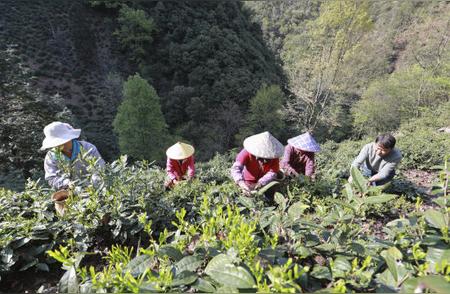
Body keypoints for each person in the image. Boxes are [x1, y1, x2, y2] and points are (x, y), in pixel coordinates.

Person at [41, 122, 105, 190]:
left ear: (70, 138)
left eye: (63, 141)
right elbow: (51, 178)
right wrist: (66, 183)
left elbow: (100, 168)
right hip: (69, 193)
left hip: (95, 189)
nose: (61, 145)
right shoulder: (51, 157)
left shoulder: (88, 148)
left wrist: (93, 184)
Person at [231, 131, 284, 195]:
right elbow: (236, 168)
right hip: (247, 181)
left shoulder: (274, 157)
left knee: (268, 196)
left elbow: (272, 172)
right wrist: (241, 183)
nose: (264, 161)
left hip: (265, 182)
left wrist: (260, 183)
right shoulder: (246, 152)